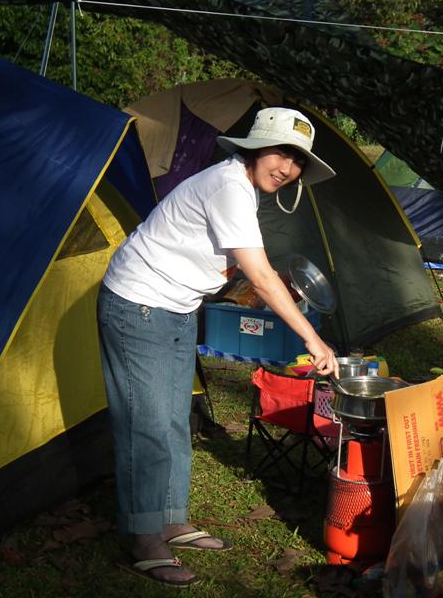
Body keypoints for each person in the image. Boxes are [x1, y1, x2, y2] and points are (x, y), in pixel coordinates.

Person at [97, 107, 339, 587]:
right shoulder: (229, 186)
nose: (287, 168)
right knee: (146, 425)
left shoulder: (242, 189)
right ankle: (143, 538)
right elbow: (261, 275)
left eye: (297, 162)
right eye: (282, 153)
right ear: (256, 148)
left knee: (172, 418)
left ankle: (170, 520)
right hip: (138, 303)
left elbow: (238, 264)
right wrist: (312, 337)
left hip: (177, 307)